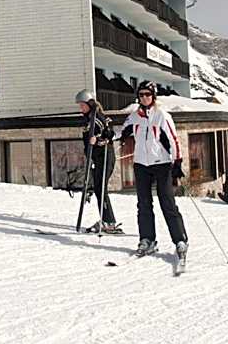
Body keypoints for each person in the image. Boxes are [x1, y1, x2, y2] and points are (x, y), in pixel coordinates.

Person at [119, 81, 188, 261]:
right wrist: (108, 136)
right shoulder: (135, 116)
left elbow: (174, 139)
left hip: (162, 164)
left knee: (167, 203)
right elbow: (122, 131)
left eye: (147, 94)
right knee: (143, 204)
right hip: (141, 164)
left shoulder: (162, 116)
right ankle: (147, 239)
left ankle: (180, 240)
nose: (144, 98)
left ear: (153, 96)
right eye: (141, 95)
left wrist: (178, 161)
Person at [75, 89, 120, 234]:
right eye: (79, 105)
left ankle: (109, 222)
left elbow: (110, 135)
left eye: (82, 105)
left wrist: (98, 140)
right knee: (98, 188)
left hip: (105, 156)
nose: (80, 108)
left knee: (101, 188)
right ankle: (107, 220)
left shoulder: (98, 118)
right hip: (96, 158)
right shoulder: (88, 119)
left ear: (90, 104)